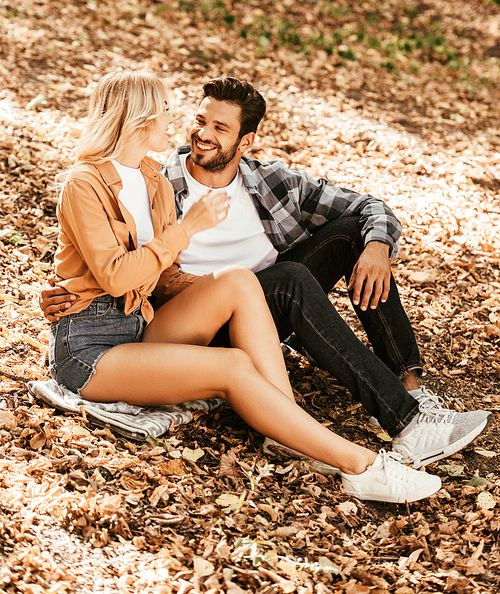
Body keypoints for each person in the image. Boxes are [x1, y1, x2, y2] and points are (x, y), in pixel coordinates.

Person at [41, 75, 490, 473]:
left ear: (247, 140)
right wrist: (74, 292)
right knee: (282, 280)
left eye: (220, 128)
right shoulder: (162, 176)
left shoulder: (267, 181)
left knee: (354, 235)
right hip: (200, 313)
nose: (200, 134)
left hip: (260, 301)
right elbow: (120, 261)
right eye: (199, 121)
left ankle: (410, 390)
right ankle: (391, 422)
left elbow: (369, 206)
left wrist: (378, 247)